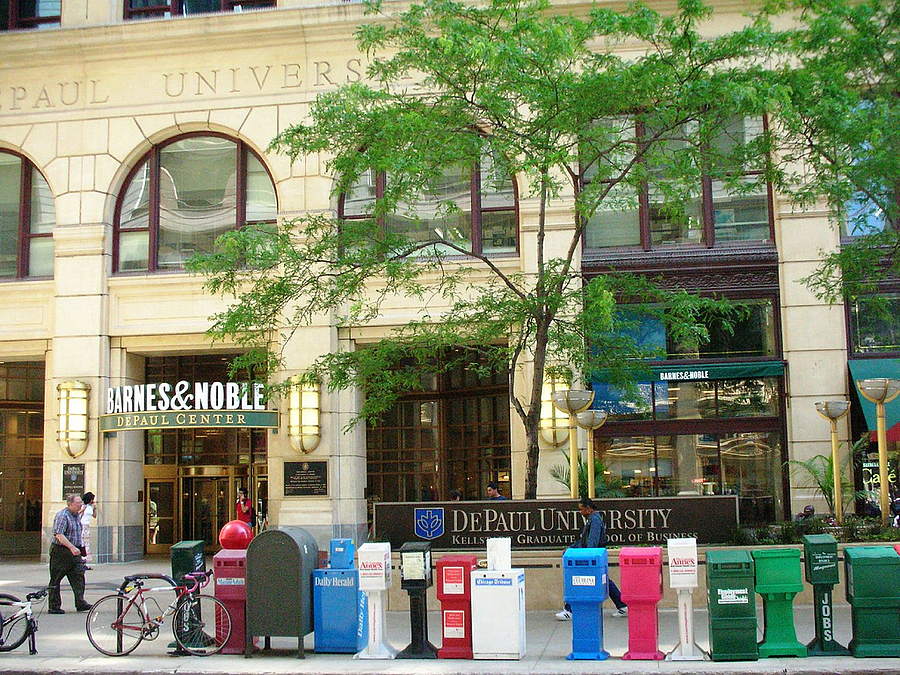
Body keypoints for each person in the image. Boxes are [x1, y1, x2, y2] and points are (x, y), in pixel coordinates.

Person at [556, 496, 627, 620]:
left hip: (590, 559)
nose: (580, 512)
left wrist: (586, 555)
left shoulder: (594, 521)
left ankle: (569, 610)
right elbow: (584, 540)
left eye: (581, 510)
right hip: (593, 558)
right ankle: (622, 606)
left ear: (588, 509)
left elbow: (592, 542)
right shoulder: (592, 519)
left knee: (577, 581)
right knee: (604, 581)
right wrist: (571, 548)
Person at [48, 494, 92, 614]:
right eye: (77, 503)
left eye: (81, 502)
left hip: (75, 551)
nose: (80, 505)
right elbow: (59, 534)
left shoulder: (76, 515)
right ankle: (54, 606)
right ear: (70, 504)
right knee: (56, 579)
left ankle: (80, 602)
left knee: (78, 576)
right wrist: (71, 547)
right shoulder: (62, 516)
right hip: (61, 551)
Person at [79, 492, 97, 569]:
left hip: (87, 526)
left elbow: (94, 516)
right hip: (82, 525)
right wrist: (82, 510)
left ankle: (84, 561)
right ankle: (81, 561)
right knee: (82, 543)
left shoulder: (91, 507)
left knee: (86, 543)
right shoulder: (83, 506)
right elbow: (78, 515)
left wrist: (95, 508)